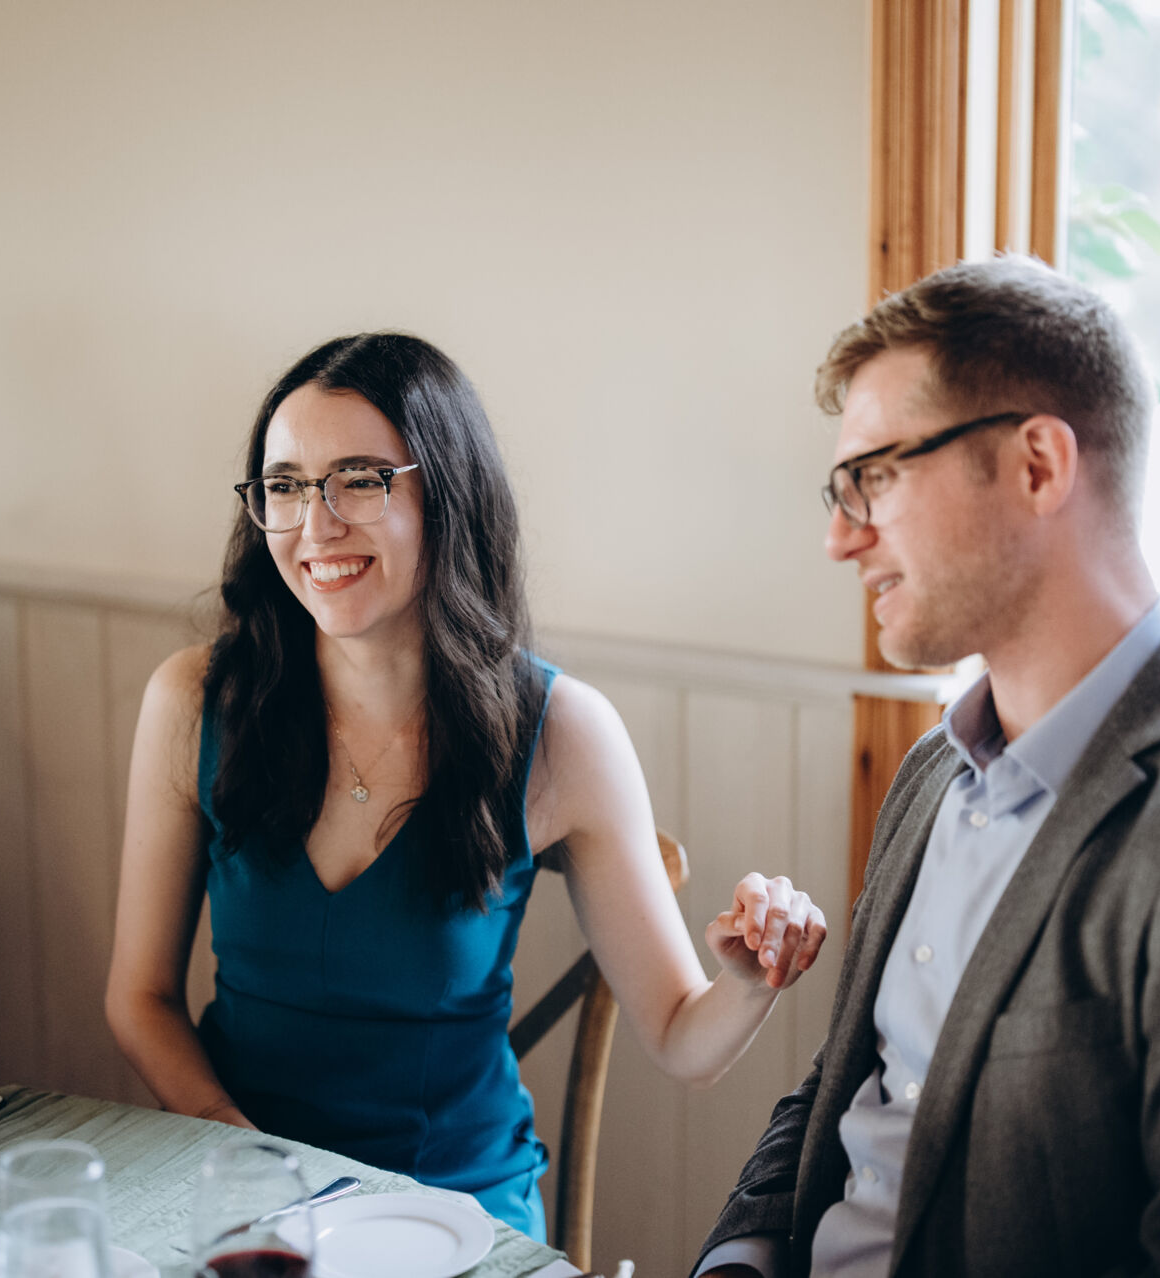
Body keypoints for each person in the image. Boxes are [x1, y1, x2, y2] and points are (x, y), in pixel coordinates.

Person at [696, 257, 1160, 1278]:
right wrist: (738, 1261)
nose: (839, 538)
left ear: (1037, 465)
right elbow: (847, 1088)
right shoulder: (935, 773)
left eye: (876, 478)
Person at [106, 332, 829, 1240]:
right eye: (285, 486)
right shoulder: (193, 701)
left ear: (446, 497)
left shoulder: (562, 732)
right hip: (245, 1203)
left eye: (359, 480)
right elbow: (140, 999)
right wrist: (247, 1158)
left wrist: (752, 979)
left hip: (453, 1215)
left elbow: (685, 1039)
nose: (315, 526)